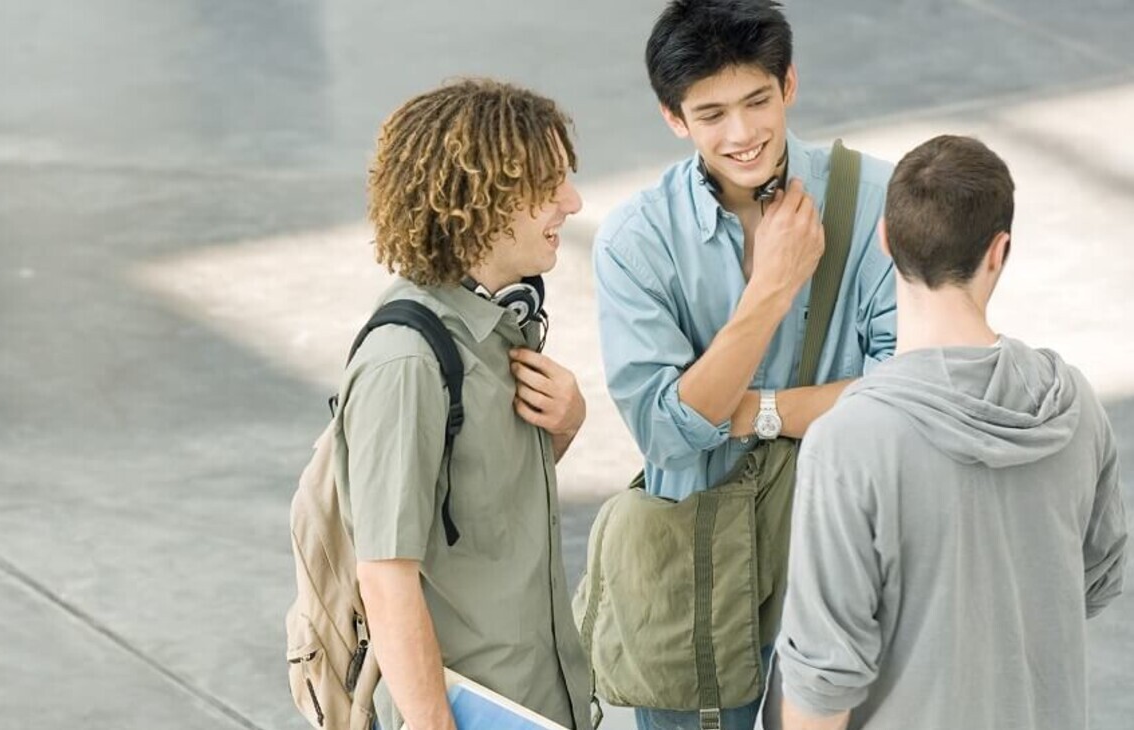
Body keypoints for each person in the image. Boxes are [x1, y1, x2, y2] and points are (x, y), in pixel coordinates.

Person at [592, 1, 897, 726]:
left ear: (788, 84)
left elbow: (908, 397)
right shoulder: (636, 240)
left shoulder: (878, 200)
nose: (742, 134)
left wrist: (753, 412)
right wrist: (773, 289)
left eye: (757, 101)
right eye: (712, 114)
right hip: (693, 559)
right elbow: (666, 433)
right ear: (675, 119)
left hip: (839, 544)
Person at [767, 135, 1128, 730]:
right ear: (999, 251)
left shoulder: (853, 437)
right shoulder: (1074, 405)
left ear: (885, 240)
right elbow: (1094, 579)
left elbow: (823, 681)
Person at [333, 78, 592, 730]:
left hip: (540, 701)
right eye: (548, 185)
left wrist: (563, 427)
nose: (573, 202)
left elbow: (479, 514)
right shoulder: (406, 364)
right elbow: (387, 579)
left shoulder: (500, 325)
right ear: (480, 201)